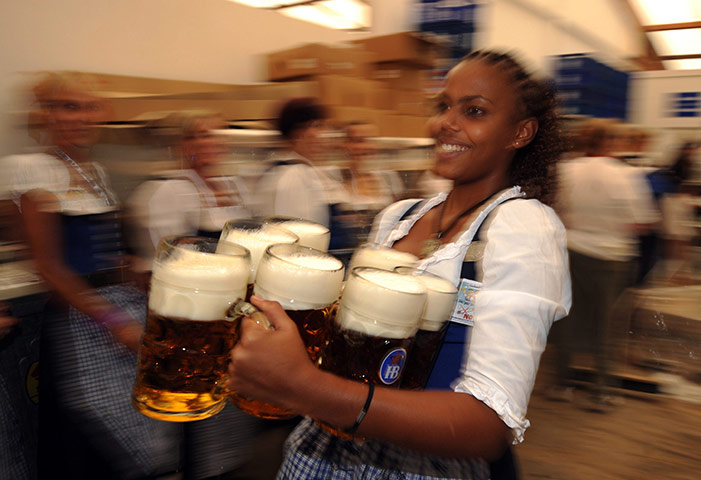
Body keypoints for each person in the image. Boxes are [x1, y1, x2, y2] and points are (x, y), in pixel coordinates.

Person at [228, 50, 571, 480]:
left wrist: (304, 387)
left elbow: (488, 426)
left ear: (519, 132)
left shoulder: (522, 227)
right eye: (443, 105)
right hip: (323, 450)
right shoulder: (400, 217)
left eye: (475, 110)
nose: (446, 121)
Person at [3, 72, 179, 479]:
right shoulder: (32, 170)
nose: (79, 117)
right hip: (80, 319)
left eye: (87, 106)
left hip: (119, 308)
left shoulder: (94, 171)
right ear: (44, 115)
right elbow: (49, 266)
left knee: (144, 419)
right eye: (67, 106)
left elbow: (105, 254)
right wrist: (113, 321)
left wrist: (138, 273)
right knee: (95, 434)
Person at [555, 118, 659, 409]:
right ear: (610, 142)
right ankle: (602, 392)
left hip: (572, 250)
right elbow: (642, 221)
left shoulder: (565, 170)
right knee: (607, 325)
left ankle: (562, 384)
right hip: (612, 257)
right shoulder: (625, 175)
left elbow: (555, 212)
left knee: (569, 318)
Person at [127, 111, 251, 272]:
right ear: (184, 144)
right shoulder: (167, 190)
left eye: (220, 133)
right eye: (204, 135)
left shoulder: (235, 184)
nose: (217, 141)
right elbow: (167, 257)